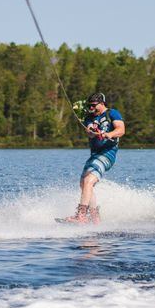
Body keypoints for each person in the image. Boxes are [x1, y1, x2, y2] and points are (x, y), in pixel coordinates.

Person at [62, 92, 125, 225]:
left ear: (101, 103)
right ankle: (95, 217)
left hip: (107, 154)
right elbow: (89, 131)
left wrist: (108, 134)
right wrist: (91, 132)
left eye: (93, 105)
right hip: (95, 155)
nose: (90, 108)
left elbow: (121, 130)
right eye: (89, 106)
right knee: (84, 183)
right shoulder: (89, 118)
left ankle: (81, 215)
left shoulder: (112, 113)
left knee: (88, 181)